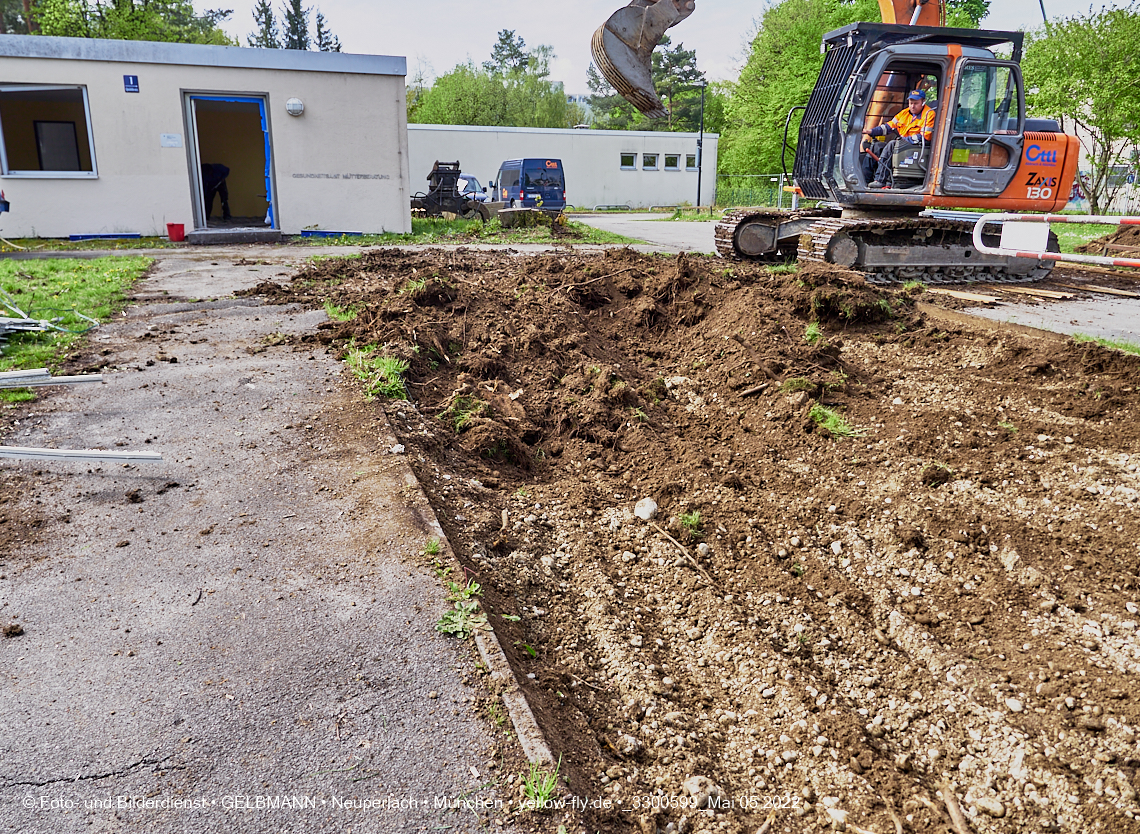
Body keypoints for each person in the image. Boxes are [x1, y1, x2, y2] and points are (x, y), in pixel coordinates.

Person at [861, 89, 935, 189]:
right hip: (902, 143)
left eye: (916, 103)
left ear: (923, 102)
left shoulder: (929, 114)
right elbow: (888, 127)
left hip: (916, 146)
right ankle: (864, 180)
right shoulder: (904, 113)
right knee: (877, 146)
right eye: (911, 103)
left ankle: (880, 180)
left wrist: (904, 140)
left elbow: (926, 136)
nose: (912, 106)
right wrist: (870, 131)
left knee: (892, 144)